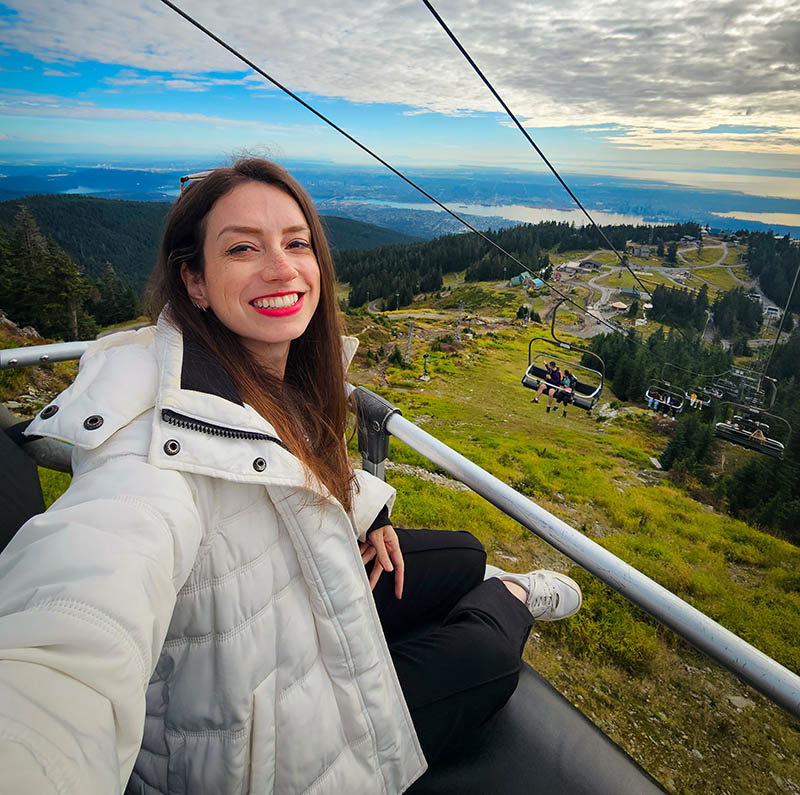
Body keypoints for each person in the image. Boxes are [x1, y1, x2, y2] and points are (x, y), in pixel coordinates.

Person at [0, 158, 582, 795]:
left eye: (296, 243)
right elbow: (67, 636)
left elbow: (278, 464)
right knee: (486, 659)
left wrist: (369, 515)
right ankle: (516, 598)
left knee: (464, 553)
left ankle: (484, 576)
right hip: (276, 749)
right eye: (243, 247)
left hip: (297, 600)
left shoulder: (256, 373)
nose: (281, 267)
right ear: (193, 280)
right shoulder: (147, 457)